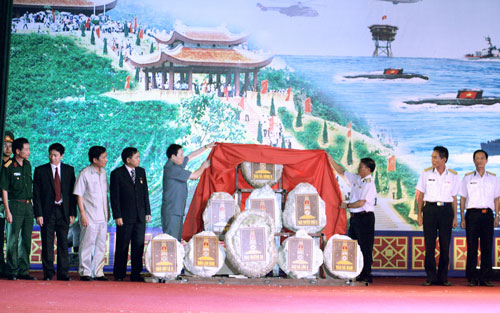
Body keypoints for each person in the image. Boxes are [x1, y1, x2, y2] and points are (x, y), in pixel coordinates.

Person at [328, 154, 377, 283]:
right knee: (355, 246)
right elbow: (342, 172)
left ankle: (366, 274)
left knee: (365, 247)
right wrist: (330, 159)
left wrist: (347, 205)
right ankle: (357, 272)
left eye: (361, 167)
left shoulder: (369, 183)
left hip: (365, 217)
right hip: (355, 218)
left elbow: (361, 203)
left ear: (368, 170)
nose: (358, 169)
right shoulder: (357, 179)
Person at [416, 146, 460, 286]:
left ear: (443, 159)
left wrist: (455, 217)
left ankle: (443, 278)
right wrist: (419, 214)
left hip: (446, 211)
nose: (432, 160)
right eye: (432, 157)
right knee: (429, 244)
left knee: (445, 244)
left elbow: (454, 198)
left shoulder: (453, 175)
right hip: (430, 210)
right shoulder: (426, 173)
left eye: (435, 157)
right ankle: (431, 277)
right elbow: (421, 195)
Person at [33, 143, 76, 281]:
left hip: (63, 211)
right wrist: (38, 214)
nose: (52, 157)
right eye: (50, 154)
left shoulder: (69, 170)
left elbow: (72, 194)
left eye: (56, 155)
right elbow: (37, 194)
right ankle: (48, 273)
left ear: (62, 156)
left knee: (63, 243)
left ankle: (63, 273)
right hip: (47, 212)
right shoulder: (40, 170)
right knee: (47, 243)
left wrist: (72, 213)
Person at [459, 150, 500, 287]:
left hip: (487, 215)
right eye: (477, 158)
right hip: (472, 215)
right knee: (472, 247)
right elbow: (463, 198)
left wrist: (497, 216)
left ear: (487, 161)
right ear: (474, 161)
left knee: (487, 247)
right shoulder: (467, 178)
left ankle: (485, 278)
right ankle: (471, 278)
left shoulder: (493, 178)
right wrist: (462, 217)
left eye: (482, 158)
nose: (480, 161)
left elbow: (496, 199)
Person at [110, 147, 151, 282]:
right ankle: (119, 273)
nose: (139, 159)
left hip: (140, 215)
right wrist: (117, 215)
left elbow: (145, 193)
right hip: (124, 217)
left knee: (138, 245)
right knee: (122, 245)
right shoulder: (117, 173)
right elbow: (114, 197)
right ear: (128, 160)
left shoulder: (141, 172)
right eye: (137, 157)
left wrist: (147, 211)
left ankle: (136, 273)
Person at [161, 143, 215, 241]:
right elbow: (195, 176)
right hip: (172, 211)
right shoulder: (171, 168)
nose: (183, 157)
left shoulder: (176, 163)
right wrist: (203, 166)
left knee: (176, 241)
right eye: (181, 155)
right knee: (171, 241)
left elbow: (191, 156)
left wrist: (207, 147)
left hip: (177, 210)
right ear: (173, 156)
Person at [73, 146, 110, 281]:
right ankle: (85, 271)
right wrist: (82, 213)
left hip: (103, 215)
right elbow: (79, 195)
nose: (106, 160)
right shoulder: (85, 174)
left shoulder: (104, 172)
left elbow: (105, 194)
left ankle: (98, 272)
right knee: (87, 244)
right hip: (89, 215)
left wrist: (108, 211)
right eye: (103, 157)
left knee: (101, 244)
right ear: (94, 159)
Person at [0, 137, 35, 280]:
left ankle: (24, 270)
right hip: (14, 205)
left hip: (28, 205)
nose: (28, 152)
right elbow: (4, 189)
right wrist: (7, 210)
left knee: (26, 239)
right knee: (13, 239)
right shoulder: (8, 166)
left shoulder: (27, 165)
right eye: (26, 150)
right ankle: (12, 270)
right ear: (17, 151)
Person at [0, 131, 14, 277]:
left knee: (11, 237)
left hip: (11, 205)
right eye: (5, 145)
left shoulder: (14, 164)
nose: (8, 148)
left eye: (10, 145)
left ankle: (9, 266)